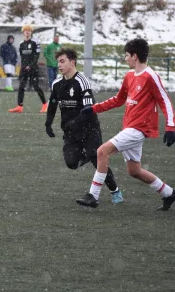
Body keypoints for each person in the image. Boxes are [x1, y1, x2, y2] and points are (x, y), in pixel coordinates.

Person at [76, 38, 175, 209]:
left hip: (139, 128)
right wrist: (93, 108)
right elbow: (118, 100)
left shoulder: (150, 76)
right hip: (129, 127)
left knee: (102, 151)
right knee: (134, 171)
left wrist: (171, 127)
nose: (125, 58)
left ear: (135, 56)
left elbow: (165, 101)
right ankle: (169, 193)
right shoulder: (129, 76)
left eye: (127, 55)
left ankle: (93, 195)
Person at [45, 48, 123, 204]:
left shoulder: (82, 81)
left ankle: (115, 191)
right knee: (71, 163)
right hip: (70, 132)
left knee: (97, 159)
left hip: (89, 128)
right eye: (58, 61)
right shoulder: (57, 84)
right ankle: (91, 154)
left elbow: (89, 110)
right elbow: (53, 104)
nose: (59, 65)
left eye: (62, 61)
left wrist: (76, 121)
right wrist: (48, 123)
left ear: (72, 62)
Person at [9, 25, 48, 113]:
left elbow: (36, 56)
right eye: (25, 31)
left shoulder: (35, 42)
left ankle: (45, 105)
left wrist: (30, 65)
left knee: (36, 86)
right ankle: (20, 106)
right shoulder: (21, 44)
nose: (27, 32)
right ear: (23, 32)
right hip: (23, 68)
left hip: (33, 68)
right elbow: (22, 57)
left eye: (29, 31)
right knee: (21, 86)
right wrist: (23, 66)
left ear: (31, 32)